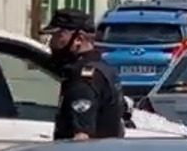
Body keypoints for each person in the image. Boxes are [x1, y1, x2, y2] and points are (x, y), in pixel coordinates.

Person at [45, 8, 127, 140]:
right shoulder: (103, 68)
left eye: (58, 36)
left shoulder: (83, 80)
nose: (51, 42)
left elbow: (82, 137)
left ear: (78, 39)